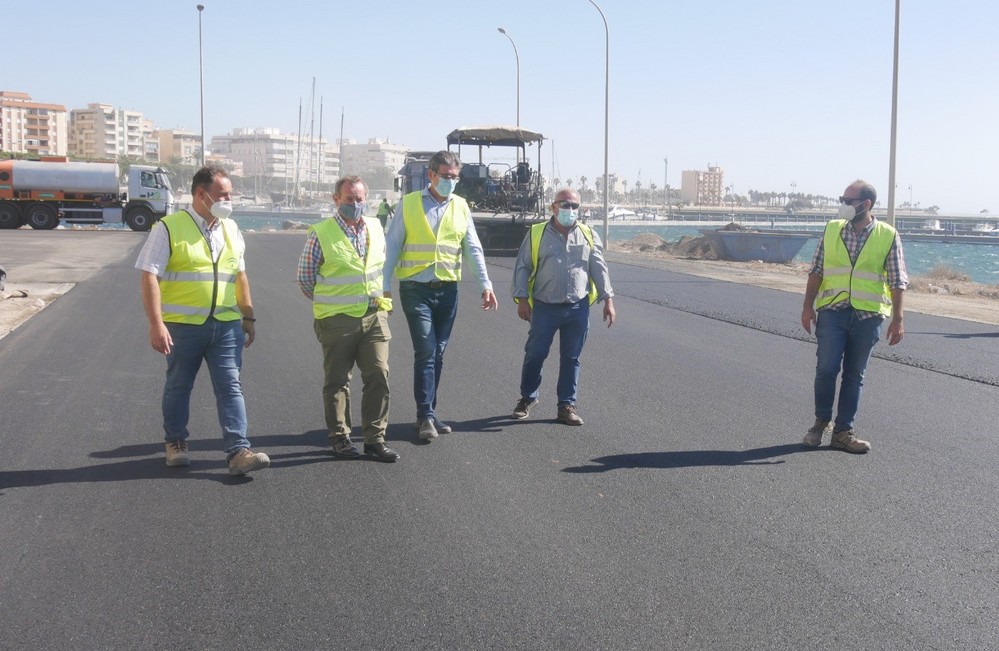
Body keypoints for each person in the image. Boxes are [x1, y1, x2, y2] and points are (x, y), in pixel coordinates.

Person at [136, 165, 270, 475]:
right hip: (183, 326)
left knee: (230, 387)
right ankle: (176, 442)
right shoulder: (168, 228)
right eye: (223, 194)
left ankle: (238, 451)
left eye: (230, 194)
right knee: (179, 386)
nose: (229, 200)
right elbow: (149, 276)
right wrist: (156, 323)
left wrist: (248, 316)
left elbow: (239, 275)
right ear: (201, 194)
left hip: (225, 326)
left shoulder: (231, 229)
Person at [383, 150, 498, 441]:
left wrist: (486, 284)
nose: (450, 181)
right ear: (431, 175)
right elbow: (392, 246)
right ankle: (424, 417)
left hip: (447, 290)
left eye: (454, 177)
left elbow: (472, 248)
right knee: (425, 351)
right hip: (415, 289)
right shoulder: (408, 204)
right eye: (446, 176)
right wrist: (383, 287)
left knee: (438, 352)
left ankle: (431, 412)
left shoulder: (460, 206)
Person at [296, 176, 399, 462]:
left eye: (359, 199)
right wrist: (330, 302)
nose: (355, 204)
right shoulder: (321, 232)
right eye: (349, 199)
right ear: (336, 199)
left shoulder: (376, 228)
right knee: (338, 380)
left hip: (374, 315)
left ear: (367, 199)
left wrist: (383, 301)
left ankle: (375, 439)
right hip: (337, 319)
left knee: (379, 374)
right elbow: (305, 279)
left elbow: (380, 270)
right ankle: (340, 437)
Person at [800, 180, 906, 453]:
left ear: (866, 204)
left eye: (848, 201)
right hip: (833, 311)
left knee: (854, 375)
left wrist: (898, 318)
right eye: (842, 199)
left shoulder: (887, 235)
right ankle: (820, 422)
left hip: (867, 316)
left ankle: (843, 432)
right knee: (826, 369)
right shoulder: (833, 229)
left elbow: (897, 280)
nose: (843, 205)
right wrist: (807, 306)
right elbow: (817, 270)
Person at [510, 187, 616, 426]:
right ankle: (527, 398)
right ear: (553, 207)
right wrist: (522, 299)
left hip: (577, 308)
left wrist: (608, 300)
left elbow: (599, 267)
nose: (570, 210)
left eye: (574, 206)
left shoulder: (588, 234)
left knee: (571, 358)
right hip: (545, 307)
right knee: (535, 354)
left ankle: (566, 405)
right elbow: (523, 266)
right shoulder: (537, 233)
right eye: (565, 204)